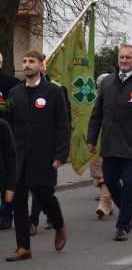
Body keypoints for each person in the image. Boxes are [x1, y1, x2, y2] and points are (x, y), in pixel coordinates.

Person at [87, 45, 132, 241]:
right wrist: (91, 139)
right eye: (121, 57)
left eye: (128, 57)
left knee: (129, 184)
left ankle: (123, 224)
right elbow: (97, 114)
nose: (124, 60)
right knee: (109, 180)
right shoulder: (108, 83)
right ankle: (128, 210)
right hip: (110, 143)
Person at [6, 51, 70, 262]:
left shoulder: (53, 91)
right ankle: (23, 247)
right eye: (24, 61)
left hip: (45, 155)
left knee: (45, 197)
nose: (26, 65)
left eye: (31, 61)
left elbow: (62, 125)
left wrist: (61, 154)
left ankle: (59, 226)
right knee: (19, 202)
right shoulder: (15, 93)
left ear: (42, 66)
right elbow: (10, 124)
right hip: (19, 157)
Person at [0, 52, 20, 230]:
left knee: (6, 178)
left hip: (6, 134)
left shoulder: (12, 84)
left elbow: (17, 111)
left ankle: (6, 214)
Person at [89, 73, 113, 219]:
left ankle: (104, 203)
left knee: (107, 174)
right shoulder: (91, 99)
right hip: (96, 143)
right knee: (98, 175)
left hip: (111, 142)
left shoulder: (115, 99)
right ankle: (107, 202)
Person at [0, 119, 16, 232]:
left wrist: (11, 186)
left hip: (3, 172)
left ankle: (6, 217)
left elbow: (11, 156)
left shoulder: (3, 126)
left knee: (5, 196)